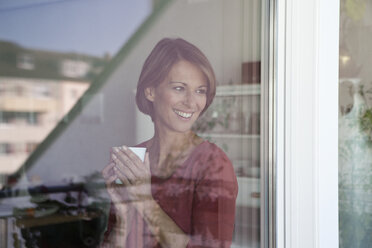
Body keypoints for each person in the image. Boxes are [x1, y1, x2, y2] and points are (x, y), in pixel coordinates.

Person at [101, 38, 238, 247]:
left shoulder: (213, 164)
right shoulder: (133, 158)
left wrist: (144, 201)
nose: (192, 102)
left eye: (200, 90)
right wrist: (123, 217)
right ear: (151, 91)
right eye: (179, 88)